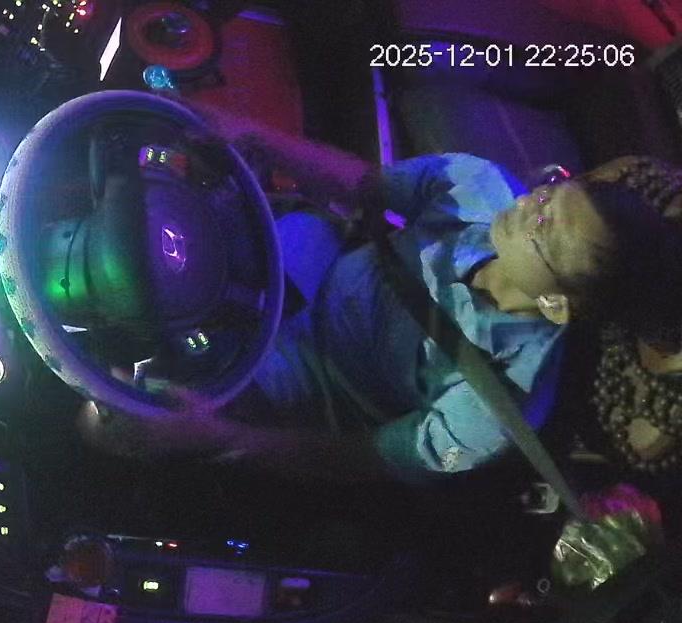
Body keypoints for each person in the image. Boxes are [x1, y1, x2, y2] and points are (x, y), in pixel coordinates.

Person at [81, 105, 682, 485]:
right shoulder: (480, 187)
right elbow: (365, 184)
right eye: (553, 196)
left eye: (549, 233)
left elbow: (364, 458)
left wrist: (221, 439)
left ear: (559, 304)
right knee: (168, 226)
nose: (533, 206)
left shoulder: (503, 407)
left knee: (110, 420)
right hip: (322, 264)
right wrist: (254, 135)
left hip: (314, 375)